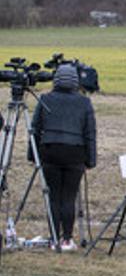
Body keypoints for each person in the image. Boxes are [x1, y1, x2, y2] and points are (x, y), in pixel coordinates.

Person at [30, 65, 96, 251]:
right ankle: (67, 239)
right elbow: (90, 133)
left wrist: (33, 155)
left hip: (50, 151)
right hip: (75, 152)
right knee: (69, 196)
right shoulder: (84, 102)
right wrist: (91, 159)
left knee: (54, 196)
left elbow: (34, 129)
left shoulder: (46, 99)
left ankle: (53, 237)